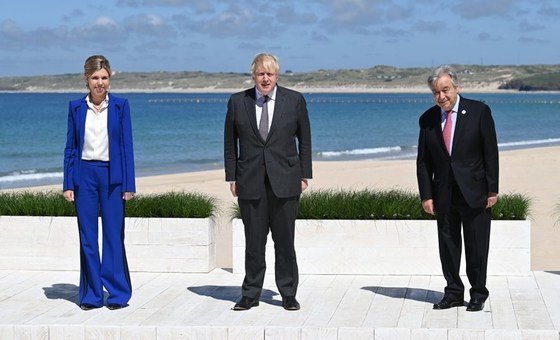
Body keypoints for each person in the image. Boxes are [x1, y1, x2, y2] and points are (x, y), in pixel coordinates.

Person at [224, 53, 312, 311]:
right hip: (249, 181)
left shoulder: (294, 100)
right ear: (253, 75)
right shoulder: (238, 101)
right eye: (261, 74)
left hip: (286, 180)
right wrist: (232, 176)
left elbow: (304, 140)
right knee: (254, 242)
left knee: (285, 242)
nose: (265, 78)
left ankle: (287, 293)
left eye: (270, 74)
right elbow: (230, 144)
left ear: (277, 76)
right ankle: (250, 293)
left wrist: (304, 174)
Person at [416, 65, 499, 312]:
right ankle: (453, 292)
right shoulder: (427, 119)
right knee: (448, 247)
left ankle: (478, 294)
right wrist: (426, 195)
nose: (441, 96)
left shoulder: (479, 112)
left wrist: (492, 189)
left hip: (475, 192)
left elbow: (490, 153)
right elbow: (423, 161)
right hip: (443, 195)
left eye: (445, 90)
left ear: (456, 87)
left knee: (476, 247)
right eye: (436, 92)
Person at [63, 55, 135, 311]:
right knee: (88, 238)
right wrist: (67, 183)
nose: (100, 83)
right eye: (95, 78)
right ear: (86, 79)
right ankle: (92, 294)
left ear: (110, 79)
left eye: (104, 78)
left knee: (114, 236)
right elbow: (70, 148)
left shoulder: (121, 106)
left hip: (112, 177)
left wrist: (129, 184)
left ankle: (117, 293)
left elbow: (127, 147)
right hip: (84, 175)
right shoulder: (75, 108)